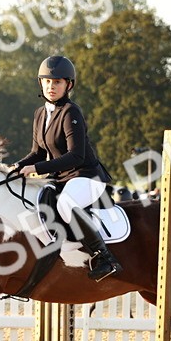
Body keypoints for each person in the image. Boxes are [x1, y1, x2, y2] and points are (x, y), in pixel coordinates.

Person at [13, 55, 122, 281]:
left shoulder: (71, 112)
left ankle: (104, 257)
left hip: (86, 176)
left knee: (66, 204)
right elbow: (37, 152)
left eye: (57, 82)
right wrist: (16, 166)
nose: (51, 87)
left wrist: (37, 168)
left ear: (68, 85)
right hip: (62, 179)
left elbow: (75, 155)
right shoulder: (40, 114)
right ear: (40, 83)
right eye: (47, 82)